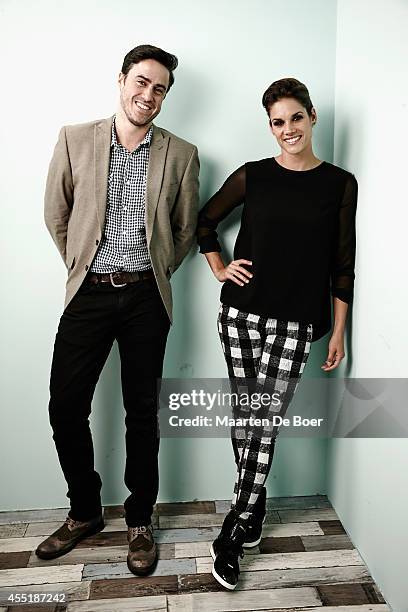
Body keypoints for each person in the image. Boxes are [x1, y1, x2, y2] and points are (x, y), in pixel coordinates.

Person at [36, 44, 199, 576]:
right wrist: (83, 264)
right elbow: (56, 211)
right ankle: (84, 511)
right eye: (142, 82)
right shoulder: (75, 138)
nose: (148, 95)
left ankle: (139, 520)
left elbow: (183, 228)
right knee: (65, 406)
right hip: (89, 292)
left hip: (147, 298)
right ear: (122, 80)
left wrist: (155, 270)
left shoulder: (181, 153)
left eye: (159, 89)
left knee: (141, 414)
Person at [197, 77, 357, 590]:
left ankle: (233, 529)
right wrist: (219, 266)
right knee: (247, 416)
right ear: (270, 127)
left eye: (295, 118)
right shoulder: (254, 176)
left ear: (312, 117)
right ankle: (256, 502)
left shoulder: (339, 184)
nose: (287, 129)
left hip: (295, 320)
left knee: (264, 422)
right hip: (240, 315)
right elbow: (205, 221)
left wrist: (338, 331)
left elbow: (342, 264)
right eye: (277, 122)